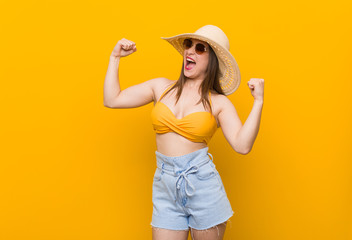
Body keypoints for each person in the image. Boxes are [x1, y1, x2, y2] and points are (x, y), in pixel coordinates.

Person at [103, 25, 264, 240]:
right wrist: (115, 58)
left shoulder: (218, 103)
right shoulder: (160, 87)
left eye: (200, 48)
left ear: (213, 60)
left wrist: (258, 102)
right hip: (166, 187)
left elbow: (242, 145)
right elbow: (112, 100)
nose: (190, 51)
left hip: (203, 186)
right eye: (188, 45)